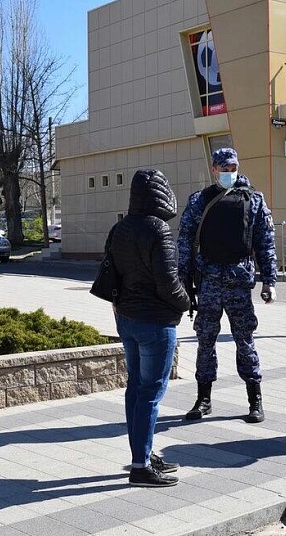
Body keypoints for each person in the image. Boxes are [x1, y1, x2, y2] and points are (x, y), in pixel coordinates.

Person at [177, 147, 277, 424]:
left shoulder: (253, 199)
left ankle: (255, 400)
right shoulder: (199, 200)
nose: (229, 173)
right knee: (205, 340)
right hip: (208, 280)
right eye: (224, 169)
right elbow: (185, 240)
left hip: (238, 281)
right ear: (214, 169)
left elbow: (265, 242)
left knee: (245, 340)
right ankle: (203, 399)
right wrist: (182, 279)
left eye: (233, 168)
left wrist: (269, 280)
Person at [110, 169, 191, 487]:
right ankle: (140, 467)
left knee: (135, 388)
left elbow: (110, 272)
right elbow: (168, 283)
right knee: (150, 394)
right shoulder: (158, 230)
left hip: (127, 319)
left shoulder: (120, 228)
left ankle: (142, 453)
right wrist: (187, 302)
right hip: (155, 322)